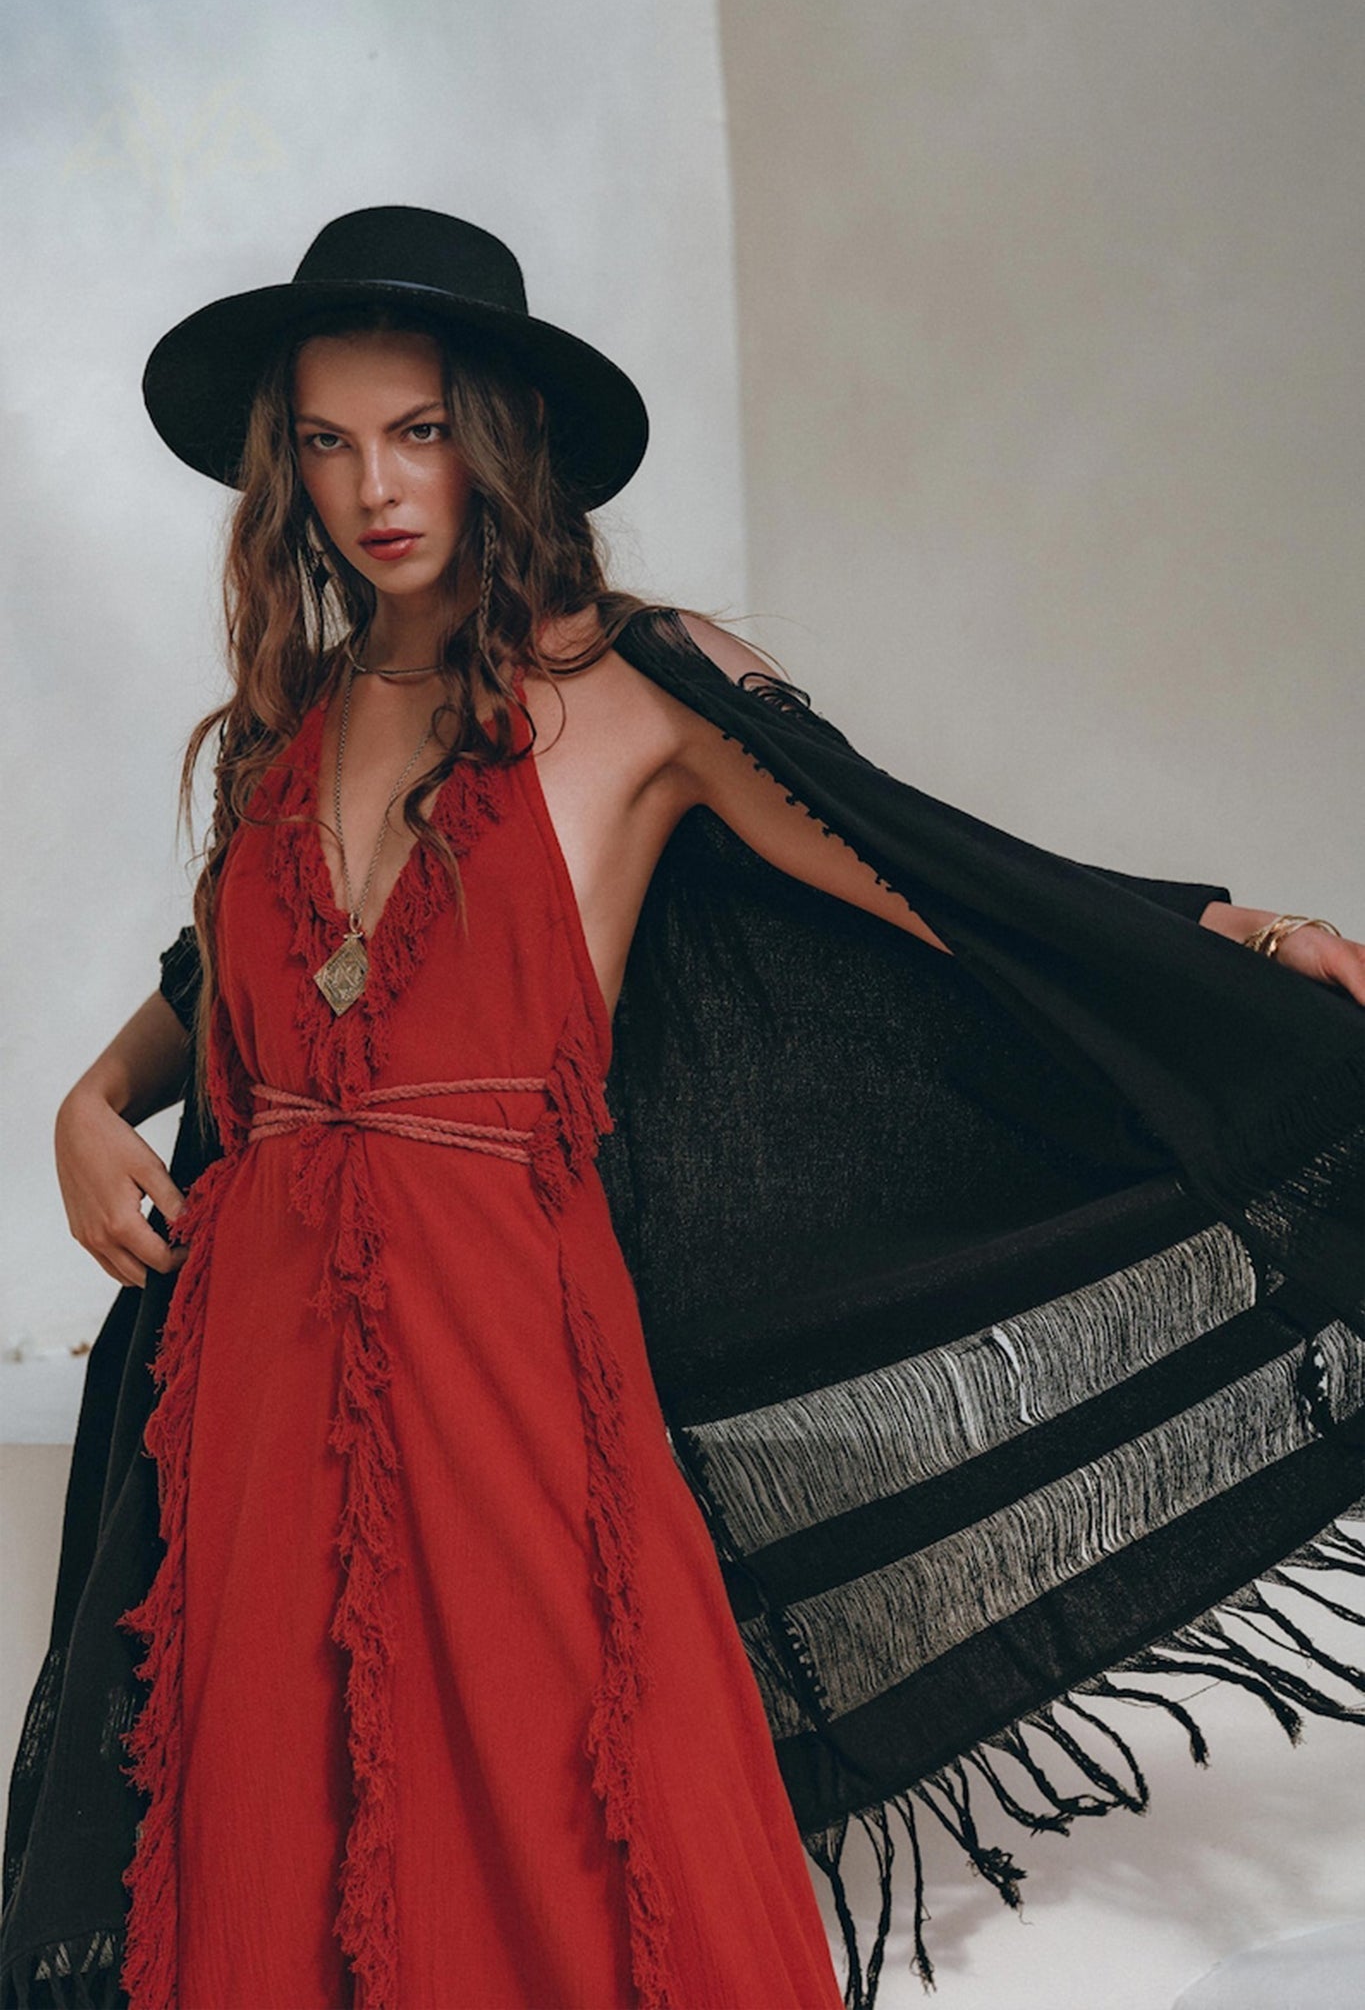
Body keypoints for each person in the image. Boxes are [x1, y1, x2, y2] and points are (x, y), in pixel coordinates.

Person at [7, 207, 1364, 2010]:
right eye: (325, 443)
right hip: (251, 1364)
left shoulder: (634, 682)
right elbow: (222, 988)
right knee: (270, 1818)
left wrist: (1226, 928)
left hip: (499, 1344)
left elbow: (936, 875)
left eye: (415, 430)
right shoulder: (288, 726)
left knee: (553, 1803)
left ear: (500, 437)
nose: (372, 486)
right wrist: (90, 1105)